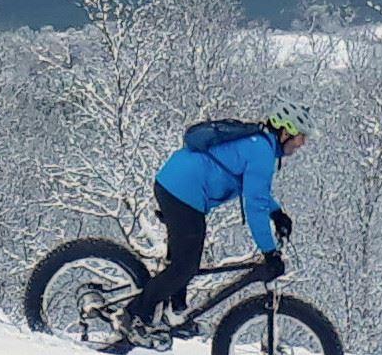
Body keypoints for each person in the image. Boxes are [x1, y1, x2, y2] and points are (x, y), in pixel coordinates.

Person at [125, 110, 308, 341]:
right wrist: (268, 250)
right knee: (185, 266)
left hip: (175, 183)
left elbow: (256, 192)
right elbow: (254, 207)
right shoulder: (261, 151)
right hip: (183, 192)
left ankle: (173, 314)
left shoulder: (260, 145)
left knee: (183, 260)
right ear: (285, 131)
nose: (302, 143)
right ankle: (134, 316)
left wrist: (276, 212)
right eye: (301, 136)